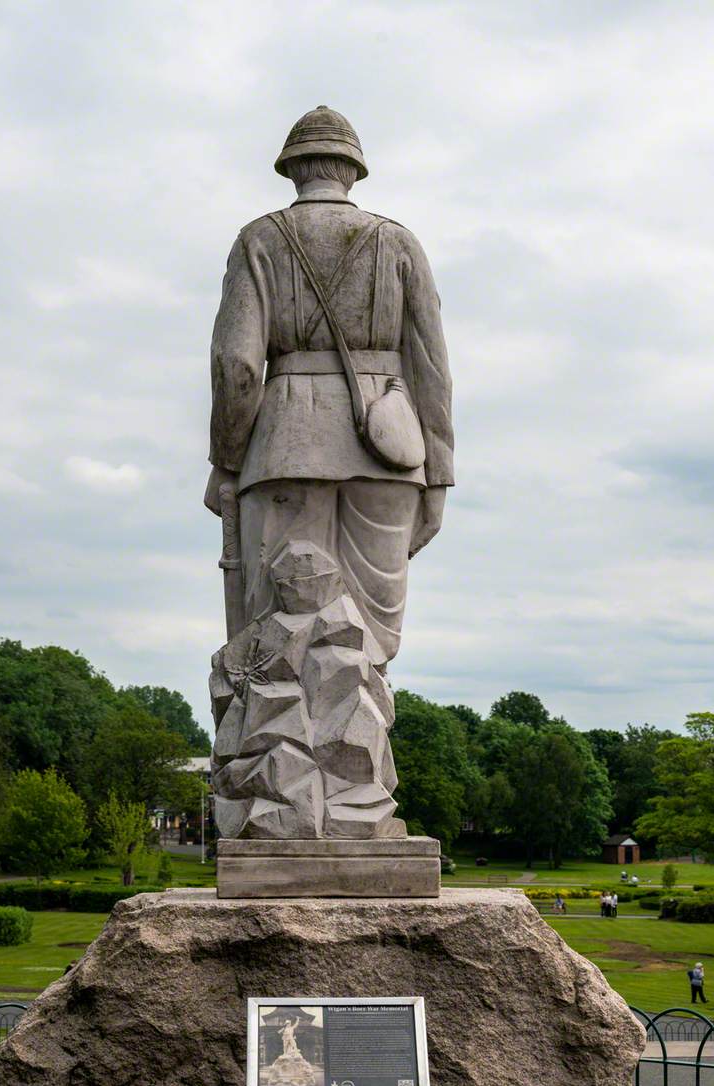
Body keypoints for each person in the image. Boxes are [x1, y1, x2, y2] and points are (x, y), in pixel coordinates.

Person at [206, 106, 454, 838]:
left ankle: (288, 815)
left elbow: (237, 365)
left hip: (283, 446)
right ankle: (355, 808)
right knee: (367, 643)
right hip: (387, 452)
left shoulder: (259, 239)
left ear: (293, 168)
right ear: (353, 170)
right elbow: (432, 368)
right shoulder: (398, 241)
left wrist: (227, 460)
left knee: (278, 635)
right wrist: (438, 473)